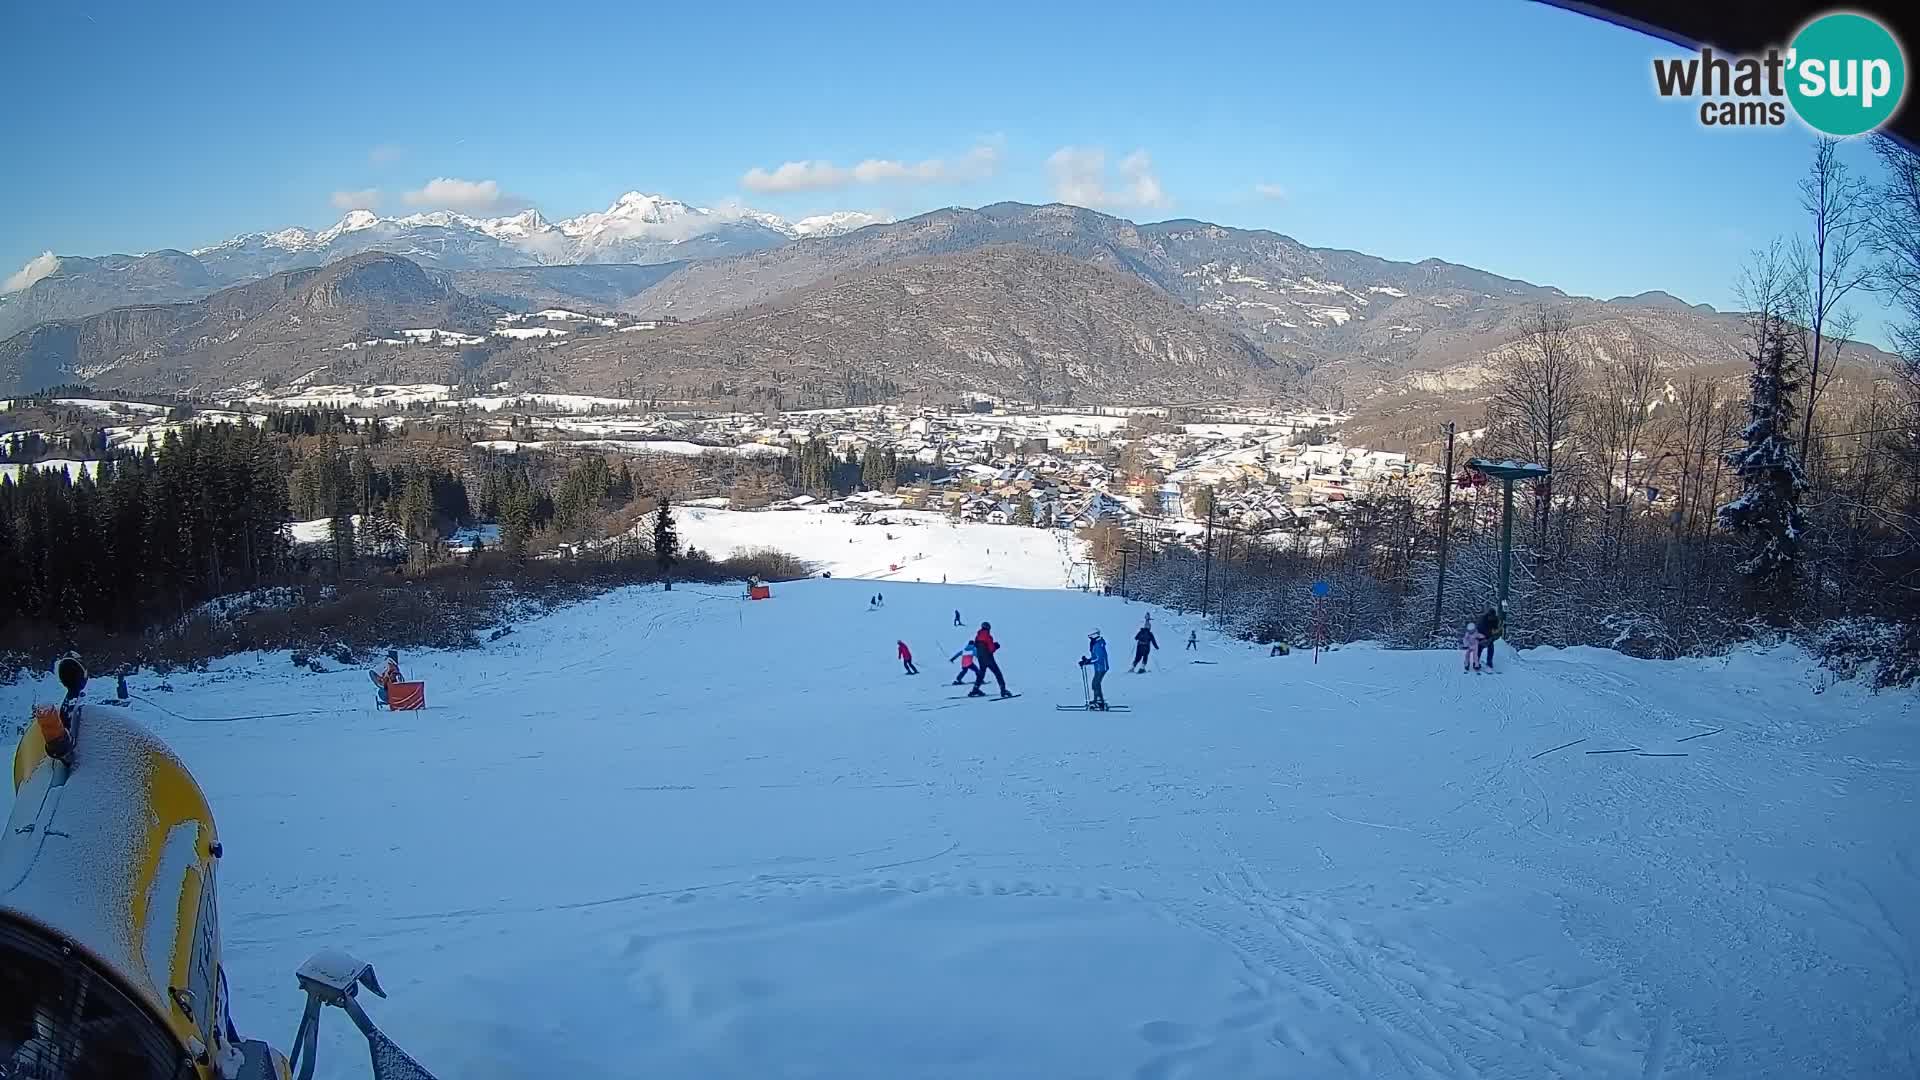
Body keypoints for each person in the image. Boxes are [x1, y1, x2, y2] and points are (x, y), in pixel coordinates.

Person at [969, 621, 1011, 698]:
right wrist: (996, 646)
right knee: (998, 673)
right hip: (989, 658)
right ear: (988, 628)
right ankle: (1003, 690)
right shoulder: (988, 636)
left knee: (981, 674)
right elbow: (991, 649)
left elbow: (976, 647)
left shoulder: (977, 637)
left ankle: (975, 689)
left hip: (981, 659)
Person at [1079, 629, 1111, 710]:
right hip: (1099, 667)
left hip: (1101, 667)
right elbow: (1095, 657)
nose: (1089, 638)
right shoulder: (1097, 643)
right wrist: (1086, 661)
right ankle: (1098, 700)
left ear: (1094, 635)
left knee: (1095, 683)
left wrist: (1088, 661)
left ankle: (1099, 702)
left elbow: (1098, 658)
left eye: (1090, 637)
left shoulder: (1097, 645)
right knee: (1095, 683)